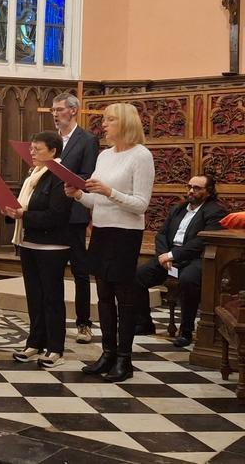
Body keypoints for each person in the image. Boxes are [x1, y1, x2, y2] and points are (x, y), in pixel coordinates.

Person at [66, 102, 154, 382]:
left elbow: (141, 205)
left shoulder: (141, 155)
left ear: (126, 122)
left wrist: (109, 191)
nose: (103, 124)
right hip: (102, 230)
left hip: (125, 233)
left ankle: (124, 360)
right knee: (103, 297)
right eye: (104, 119)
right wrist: (78, 195)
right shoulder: (104, 155)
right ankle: (107, 353)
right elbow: (96, 201)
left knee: (124, 298)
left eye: (110, 120)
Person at [134, 175, 227, 347]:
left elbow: (202, 242)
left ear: (209, 191)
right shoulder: (179, 208)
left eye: (197, 188)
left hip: (195, 258)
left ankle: (186, 331)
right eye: (189, 187)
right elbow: (162, 234)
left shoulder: (215, 212)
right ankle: (144, 323)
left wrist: (173, 255)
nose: (191, 191)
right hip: (168, 256)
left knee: (188, 280)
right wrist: (164, 255)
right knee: (138, 276)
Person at [6, 131, 73, 368]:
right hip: (29, 242)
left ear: (53, 151)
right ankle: (35, 342)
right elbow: (25, 206)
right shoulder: (33, 174)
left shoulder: (60, 175)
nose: (31, 153)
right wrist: (12, 212)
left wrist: (23, 215)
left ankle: (55, 348)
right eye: (31, 148)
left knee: (52, 298)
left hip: (52, 245)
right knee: (35, 297)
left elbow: (57, 215)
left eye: (37, 149)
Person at [51, 93, 100, 344]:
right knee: (52, 271)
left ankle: (84, 323)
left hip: (74, 212)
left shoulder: (87, 140)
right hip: (50, 212)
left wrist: (61, 173)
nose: (55, 114)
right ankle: (53, 322)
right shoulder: (51, 140)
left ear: (73, 111)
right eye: (53, 110)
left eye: (59, 109)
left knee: (80, 272)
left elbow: (87, 175)